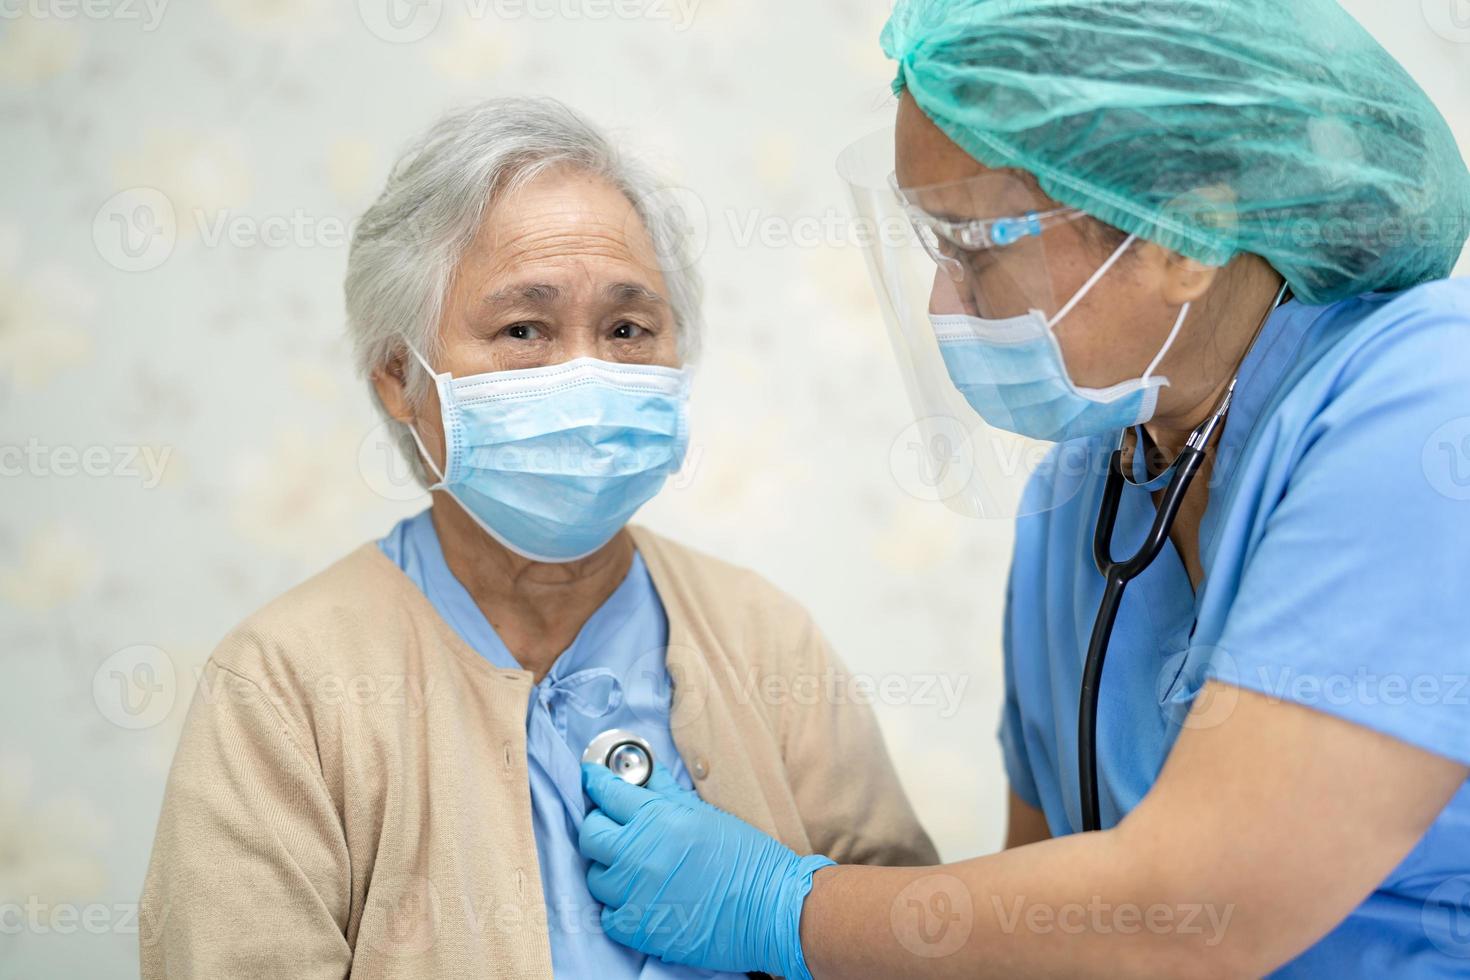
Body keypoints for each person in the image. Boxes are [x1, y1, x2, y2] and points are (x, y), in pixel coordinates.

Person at [574, 1, 1470, 976]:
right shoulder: (1084, 496)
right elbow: (1037, 921)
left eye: (976, 248)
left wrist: (784, 908)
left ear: (1186, 235)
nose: (942, 303)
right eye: (933, 248)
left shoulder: (1421, 406)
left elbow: (1196, 915)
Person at [138, 96, 936, 980]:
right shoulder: (282, 693)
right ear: (402, 377)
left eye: (628, 329)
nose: (588, 373)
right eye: (524, 328)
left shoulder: (763, 639)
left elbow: (919, 942)